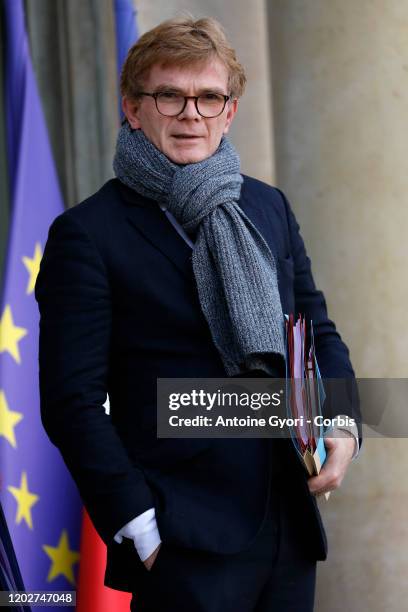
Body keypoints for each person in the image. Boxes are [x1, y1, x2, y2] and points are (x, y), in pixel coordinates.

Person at [35, 16, 360, 612]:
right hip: (181, 534)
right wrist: (139, 523)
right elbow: (70, 400)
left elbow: (317, 328)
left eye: (209, 97)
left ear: (229, 112)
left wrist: (341, 422)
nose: (192, 113)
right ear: (133, 108)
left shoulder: (267, 205)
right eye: (170, 95)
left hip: (287, 520)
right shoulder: (86, 234)